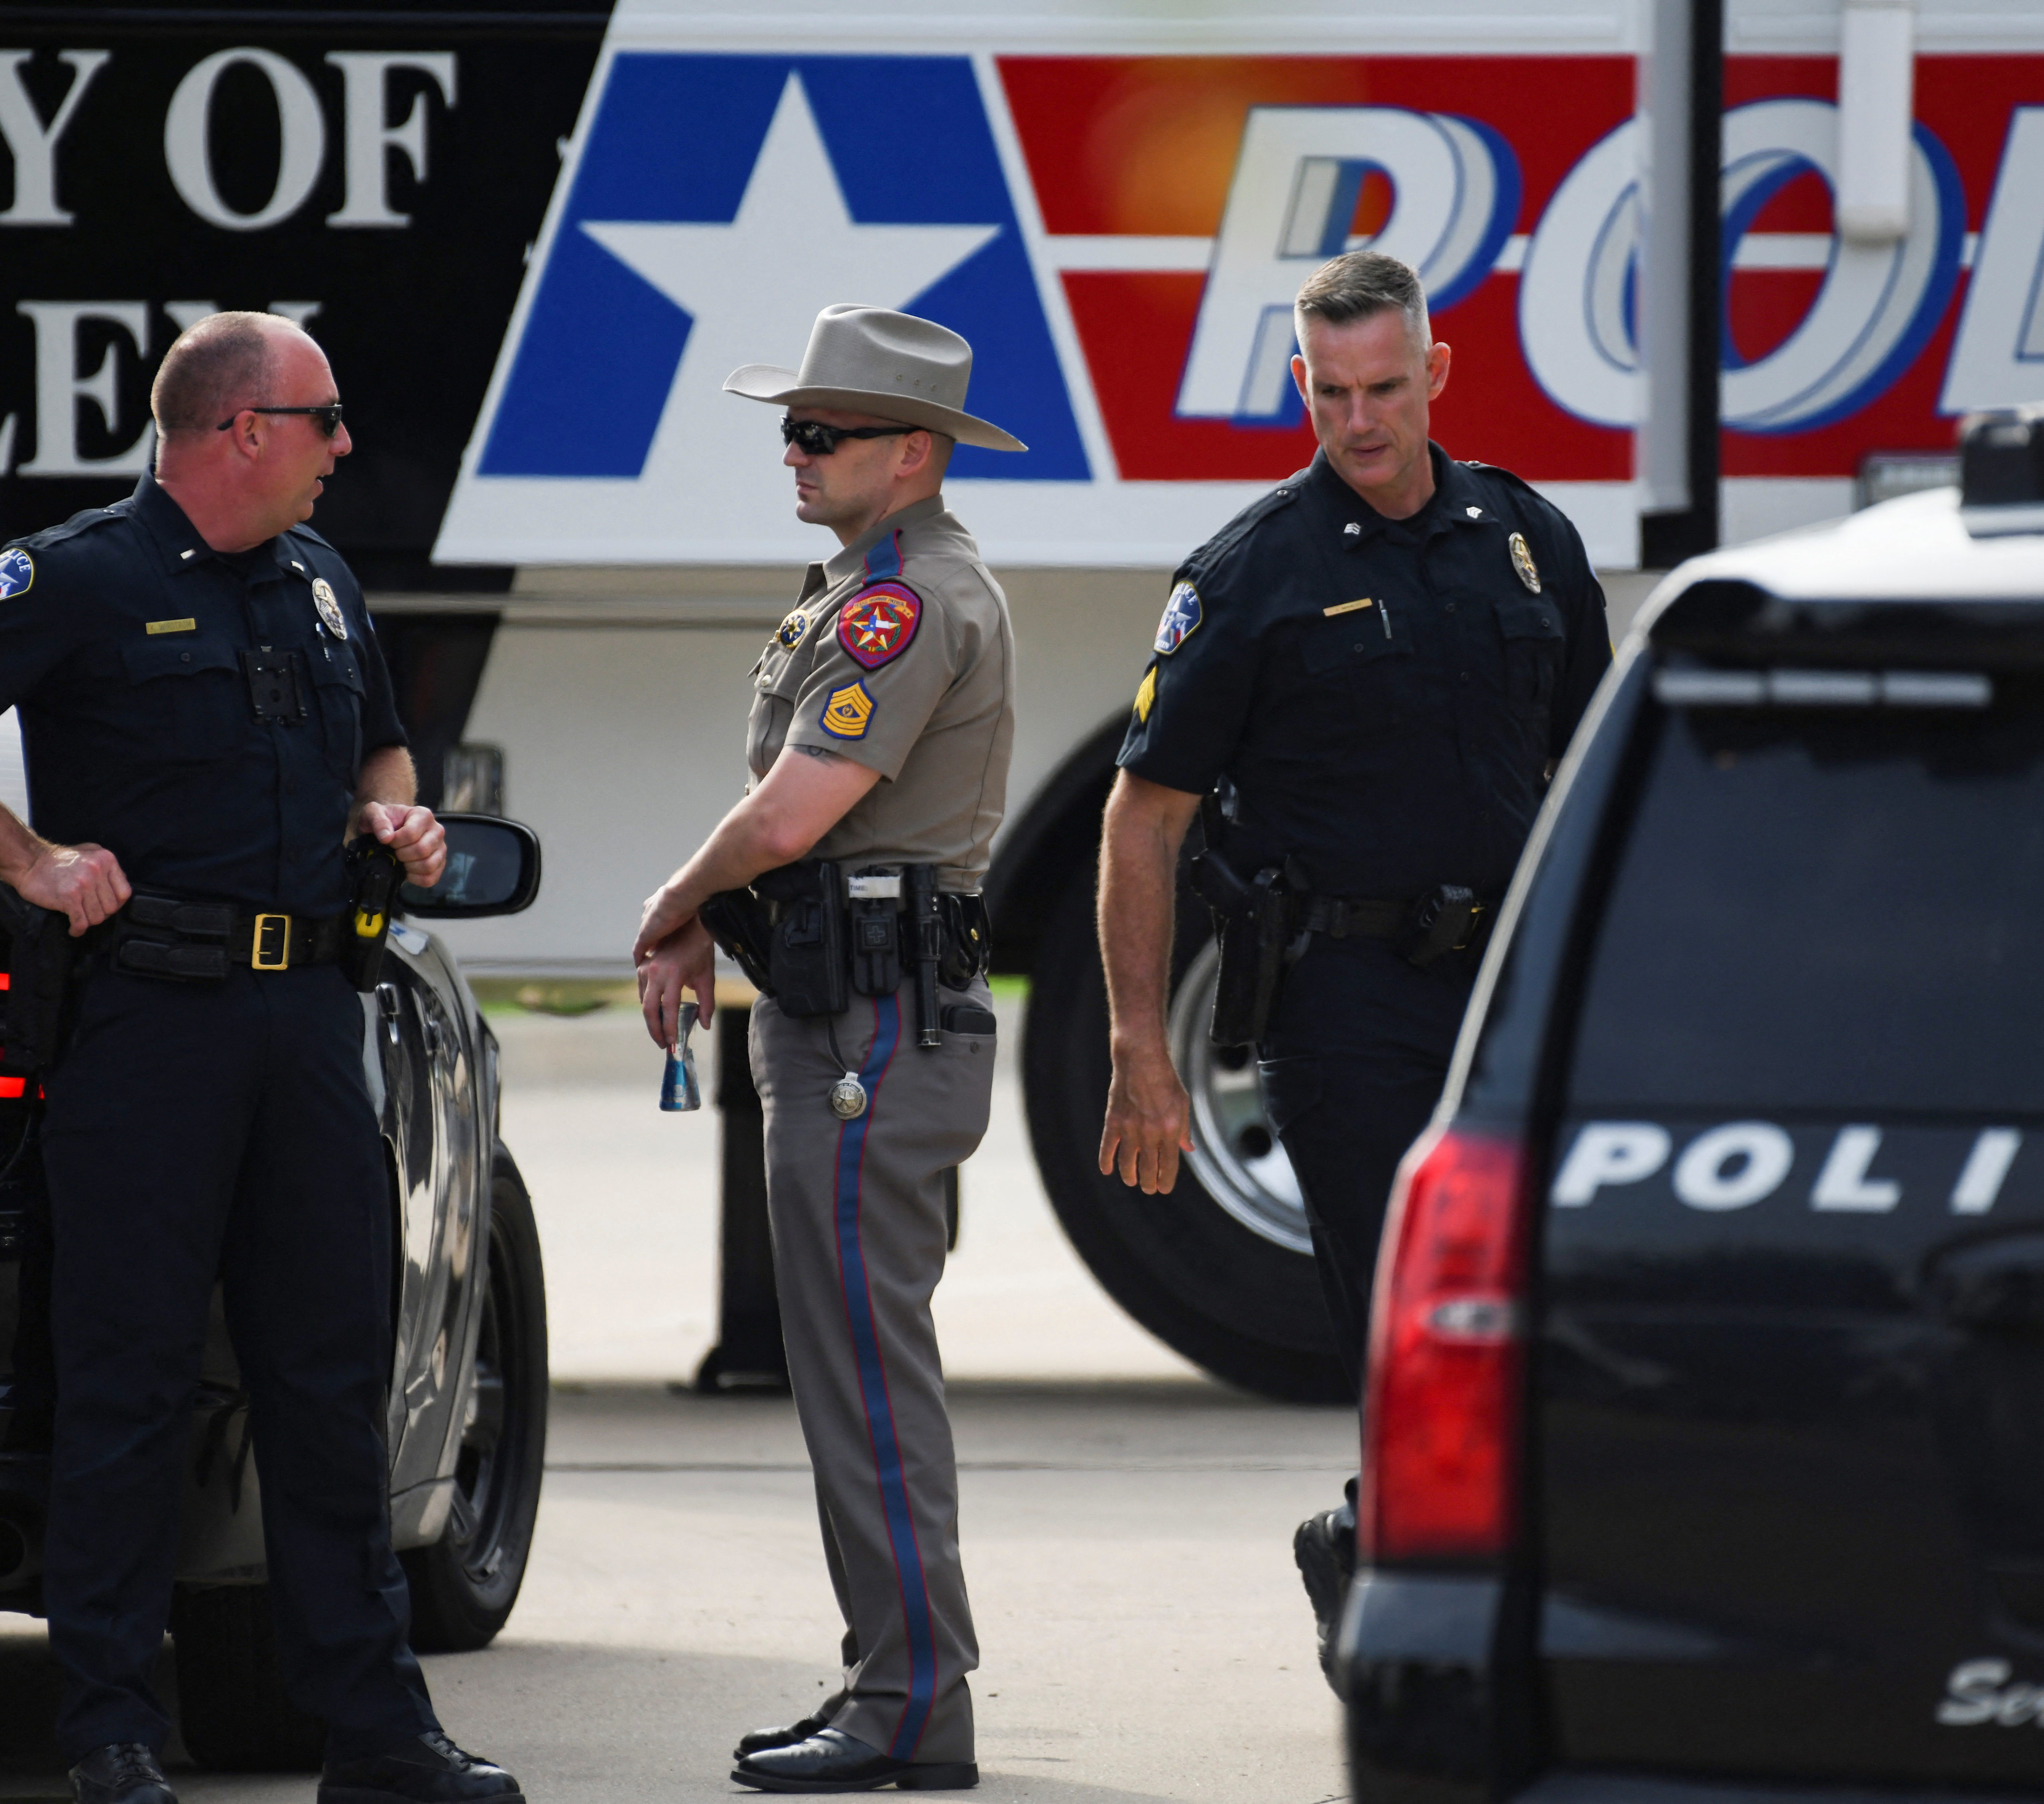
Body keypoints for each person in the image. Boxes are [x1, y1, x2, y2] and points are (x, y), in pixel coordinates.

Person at [0, 312, 519, 1804]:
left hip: (308, 1022)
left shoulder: (324, 585)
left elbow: (383, 754)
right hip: (155, 1024)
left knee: (327, 1381)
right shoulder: (82, 573)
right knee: (130, 1381)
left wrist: (397, 819)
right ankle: (109, 1727)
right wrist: (29, 855)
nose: (347, 446)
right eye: (324, 418)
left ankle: (377, 1732)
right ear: (237, 430)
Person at [1092, 251, 1611, 1682]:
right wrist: (1142, 1049)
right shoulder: (1254, 572)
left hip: (1500, 996)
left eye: (1385, 388)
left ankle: (1372, 1538)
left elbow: (1581, 777)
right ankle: (1437, 1630)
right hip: (1345, 1002)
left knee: (1527, 1304)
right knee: (1405, 1314)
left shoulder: (1525, 539)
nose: (1361, 421)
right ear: (1300, 385)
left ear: (1435, 373)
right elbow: (1141, 822)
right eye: (1331, 394)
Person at [629, 305, 1020, 1794]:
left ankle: (910, 1693)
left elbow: (793, 813)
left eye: (821, 431)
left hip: (869, 1027)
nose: (792, 451)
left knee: (863, 1365)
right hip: (845, 1009)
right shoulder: (861, 587)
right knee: (853, 1358)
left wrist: (671, 904)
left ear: (908, 453)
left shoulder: (902, 603)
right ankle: (898, 1679)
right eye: (791, 426)